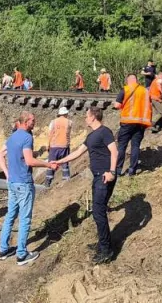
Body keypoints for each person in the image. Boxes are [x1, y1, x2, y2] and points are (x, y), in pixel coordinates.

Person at [52, 107, 118, 264]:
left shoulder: (104, 131)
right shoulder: (91, 136)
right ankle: (103, 244)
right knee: (98, 211)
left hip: (104, 176)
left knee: (98, 212)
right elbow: (77, 152)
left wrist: (112, 172)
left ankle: (106, 250)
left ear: (94, 117)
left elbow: (115, 152)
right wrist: (59, 161)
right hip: (97, 177)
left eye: (87, 116)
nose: (85, 118)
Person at [0, 112, 56, 266]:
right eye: (33, 121)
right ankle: (21, 255)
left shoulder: (12, 137)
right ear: (26, 121)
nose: (35, 123)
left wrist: (7, 173)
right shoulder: (27, 137)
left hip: (13, 183)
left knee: (10, 215)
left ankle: (3, 250)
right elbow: (29, 161)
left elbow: (0, 155)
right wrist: (48, 164)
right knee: (25, 218)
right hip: (24, 183)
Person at [113, 75, 152, 176]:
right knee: (135, 146)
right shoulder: (145, 91)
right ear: (136, 80)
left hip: (127, 122)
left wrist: (120, 105)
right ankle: (132, 171)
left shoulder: (125, 89)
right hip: (141, 122)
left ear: (128, 81)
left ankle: (118, 171)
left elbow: (117, 105)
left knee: (122, 146)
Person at [45, 107, 73, 187]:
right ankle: (66, 181)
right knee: (65, 163)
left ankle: (47, 183)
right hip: (64, 146)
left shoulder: (53, 122)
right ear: (66, 114)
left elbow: (50, 134)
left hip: (54, 147)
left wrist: (48, 145)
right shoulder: (69, 122)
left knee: (51, 164)